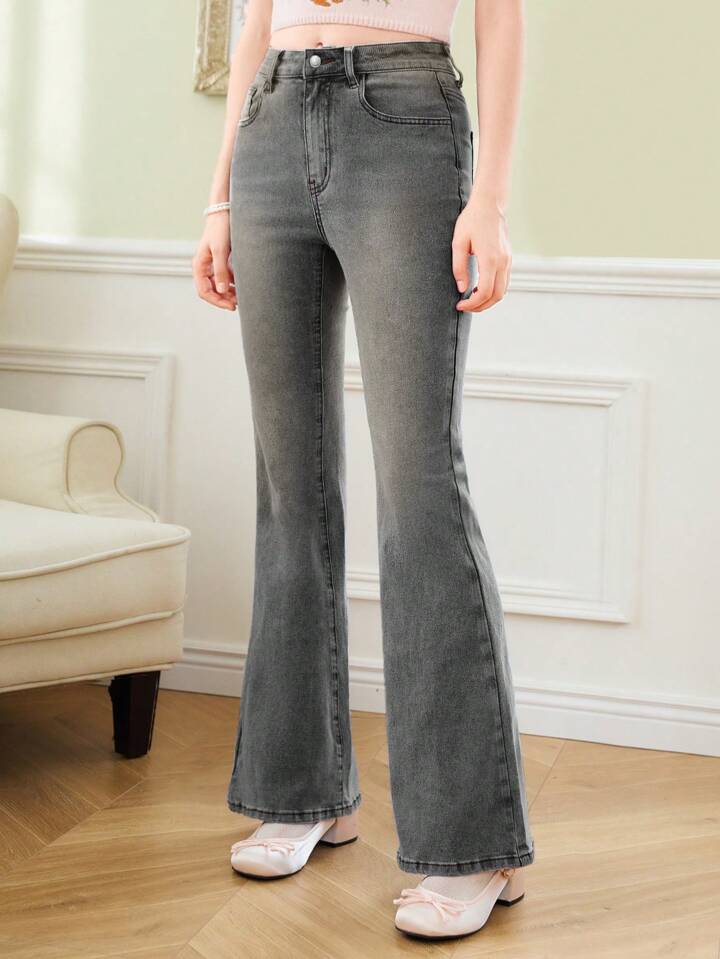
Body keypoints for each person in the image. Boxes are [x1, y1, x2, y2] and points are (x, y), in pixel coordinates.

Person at [192, 0, 533, 941]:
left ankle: (472, 844)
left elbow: (502, 17)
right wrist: (219, 195)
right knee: (288, 488)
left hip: (404, 119)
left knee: (419, 490)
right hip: (269, 124)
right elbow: (255, 20)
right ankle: (303, 791)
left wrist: (490, 199)